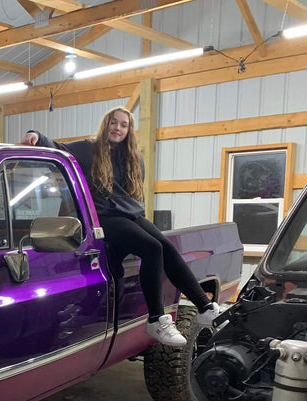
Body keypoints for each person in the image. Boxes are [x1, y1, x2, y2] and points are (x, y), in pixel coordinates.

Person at [20, 106, 220, 347]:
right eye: (114, 123)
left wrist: (139, 224)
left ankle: (205, 307)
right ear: (107, 125)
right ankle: (157, 320)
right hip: (104, 217)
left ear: (129, 130)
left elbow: (136, 196)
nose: (118, 128)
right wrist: (36, 135)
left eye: (123, 124)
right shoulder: (89, 148)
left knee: (166, 247)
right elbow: (58, 148)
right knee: (152, 248)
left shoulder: (134, 158)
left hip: (130, 215)